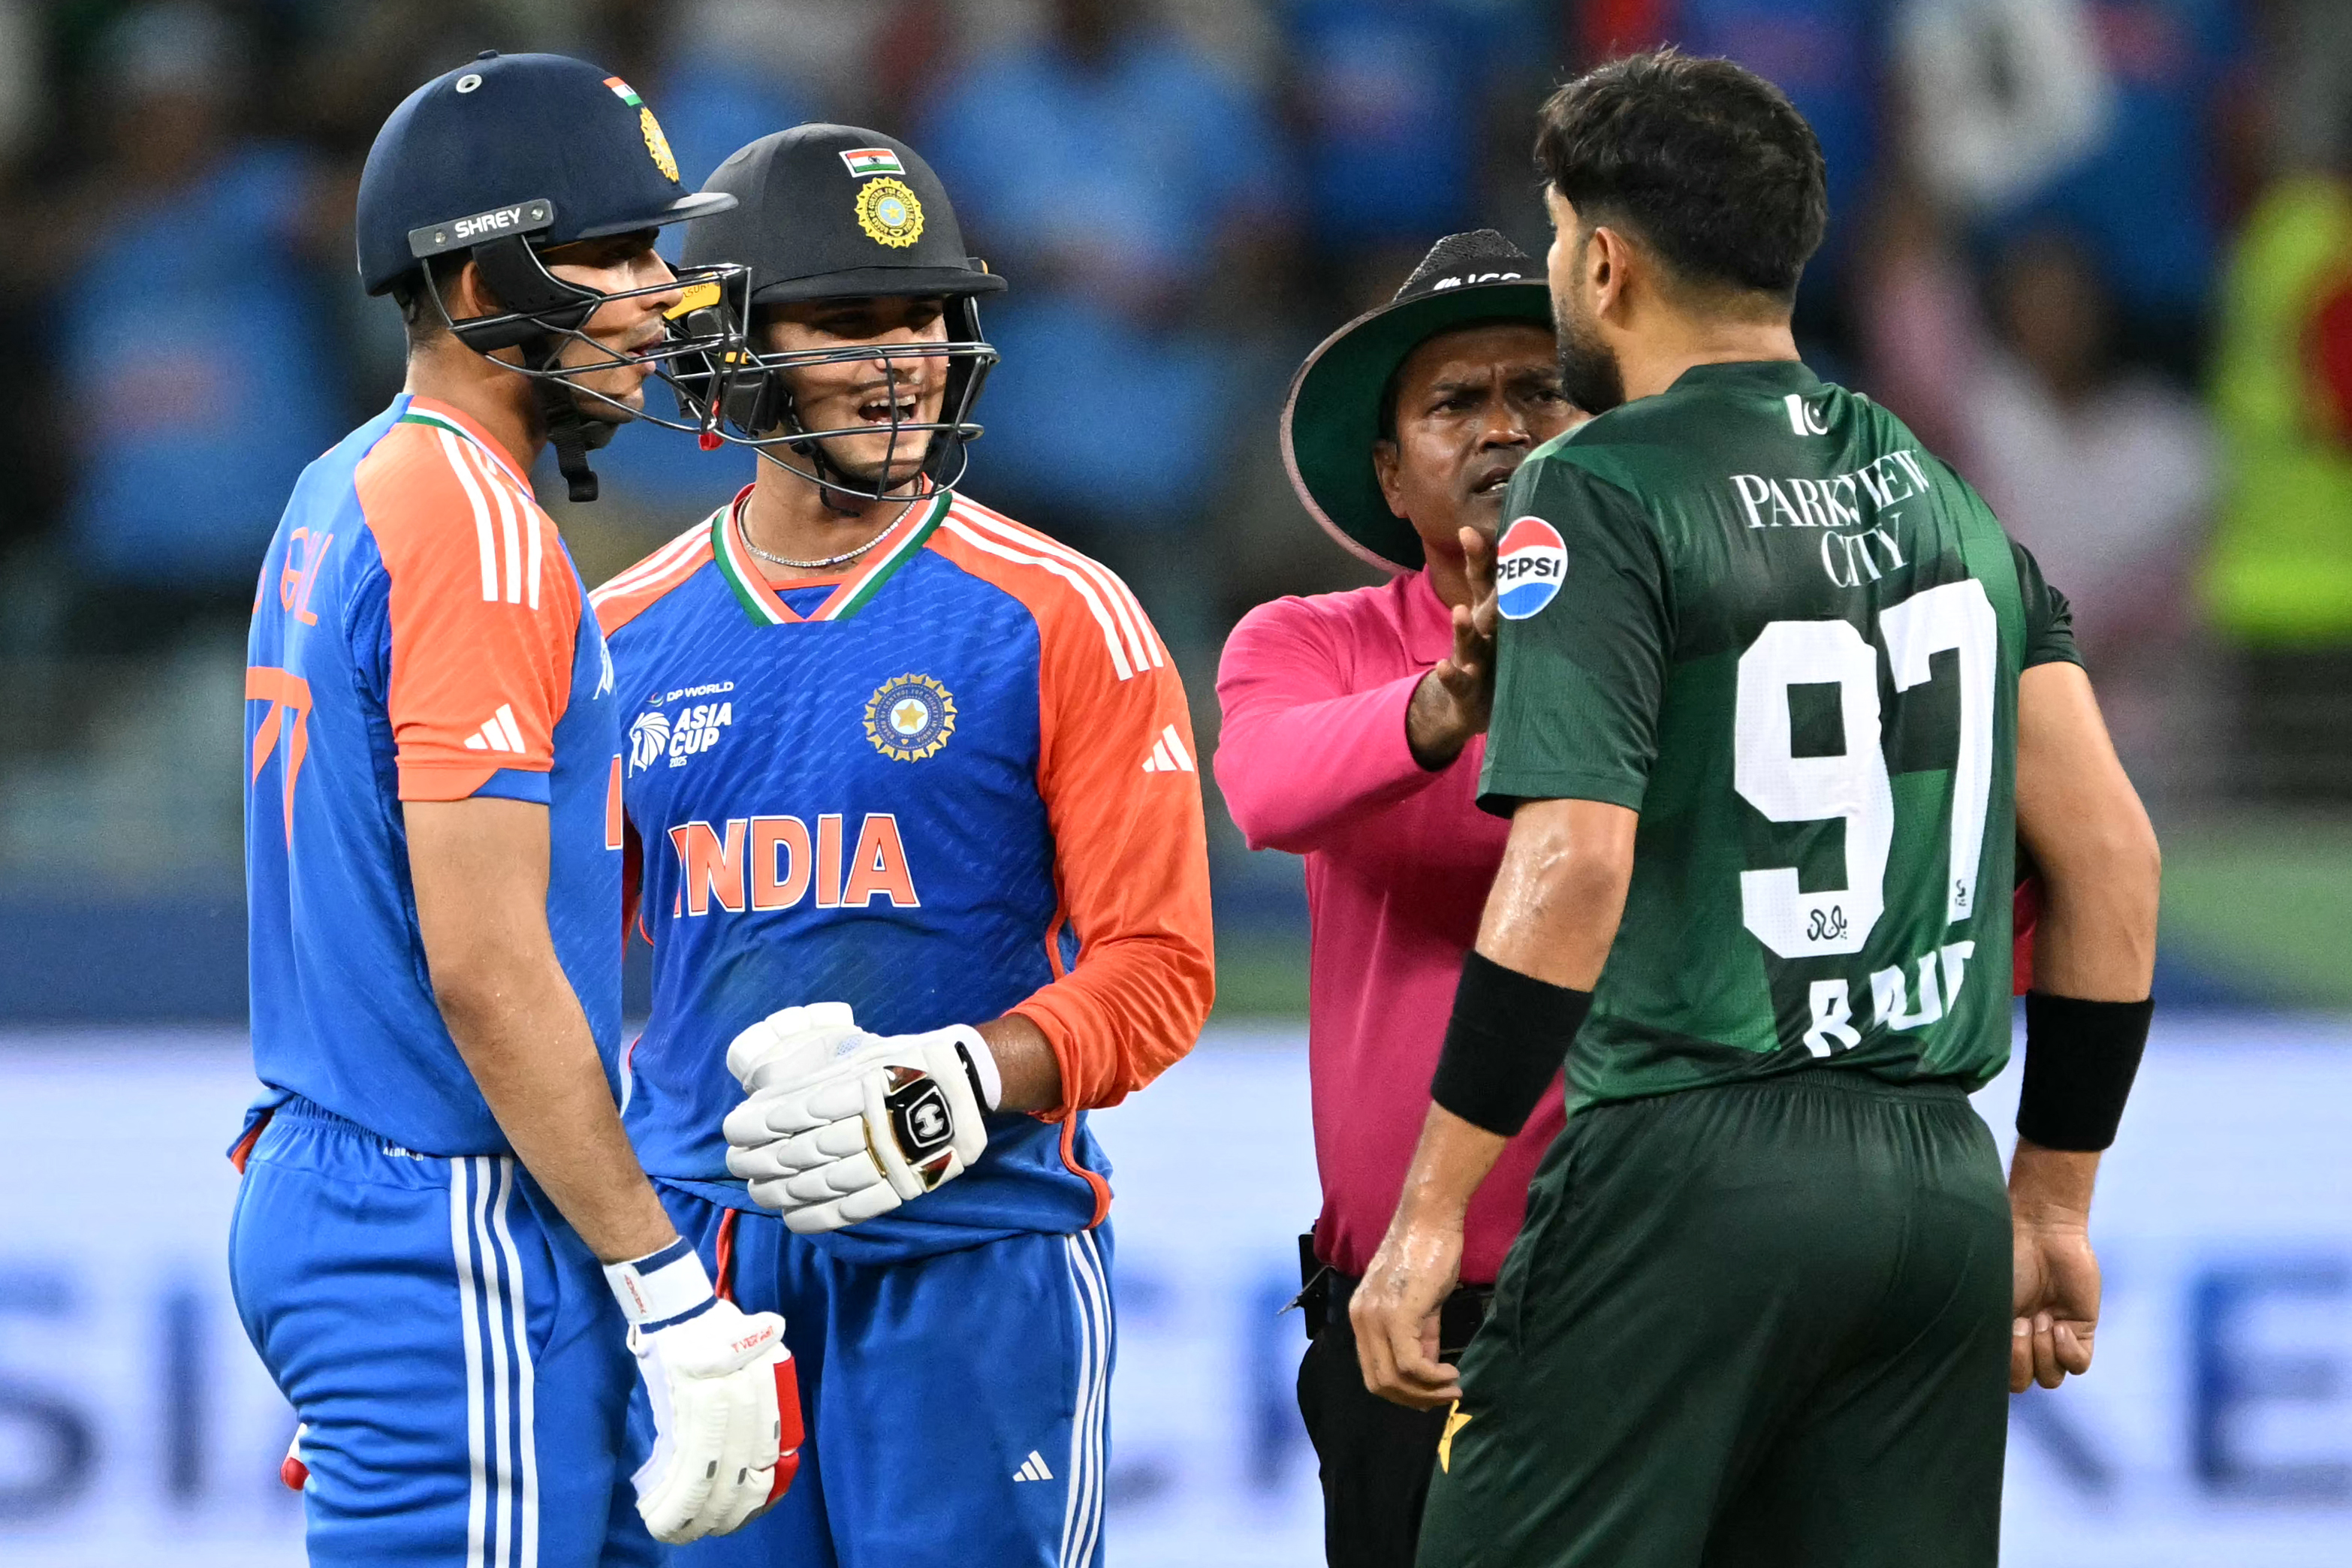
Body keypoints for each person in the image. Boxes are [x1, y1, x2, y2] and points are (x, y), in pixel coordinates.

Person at [1350, 51, 2162, 1568]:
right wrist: (2050, 1198)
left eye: (1552, 241)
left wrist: (1432, 1212)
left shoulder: (1594, 493)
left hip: (1691, 1166)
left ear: (1603, 260)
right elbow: (2112, 854)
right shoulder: (1940, 490)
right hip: (1932, 1186)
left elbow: (1575, 861)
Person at [592, 125, 1216, 1568]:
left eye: (929, 315)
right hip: (709, 1280)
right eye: (852, 322)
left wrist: (957, 1081)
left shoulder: (1063, 615)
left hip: (975, 1248)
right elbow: (544, 987)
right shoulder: (617, 641)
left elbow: (1161, 969)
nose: (907, 356)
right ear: (733, 349)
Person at [231, 53, 798, 1566]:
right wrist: (671, 1291)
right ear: (482, 285)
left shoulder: (346, 481)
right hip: (442, 1207)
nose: (662, 294)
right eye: (614, 255)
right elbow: (484, 967)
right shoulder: (479, 530)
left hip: (373, 1187)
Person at [1215, 230, 1577, 1567]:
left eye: (1538, 391)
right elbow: (1263, 788)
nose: (1502, 427)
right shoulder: (1309, 643)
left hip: (1657, 1294)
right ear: (1389, 473)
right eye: (1454, 403)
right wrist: (1445, 702)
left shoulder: (1696, 634)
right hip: (1408, 1318)